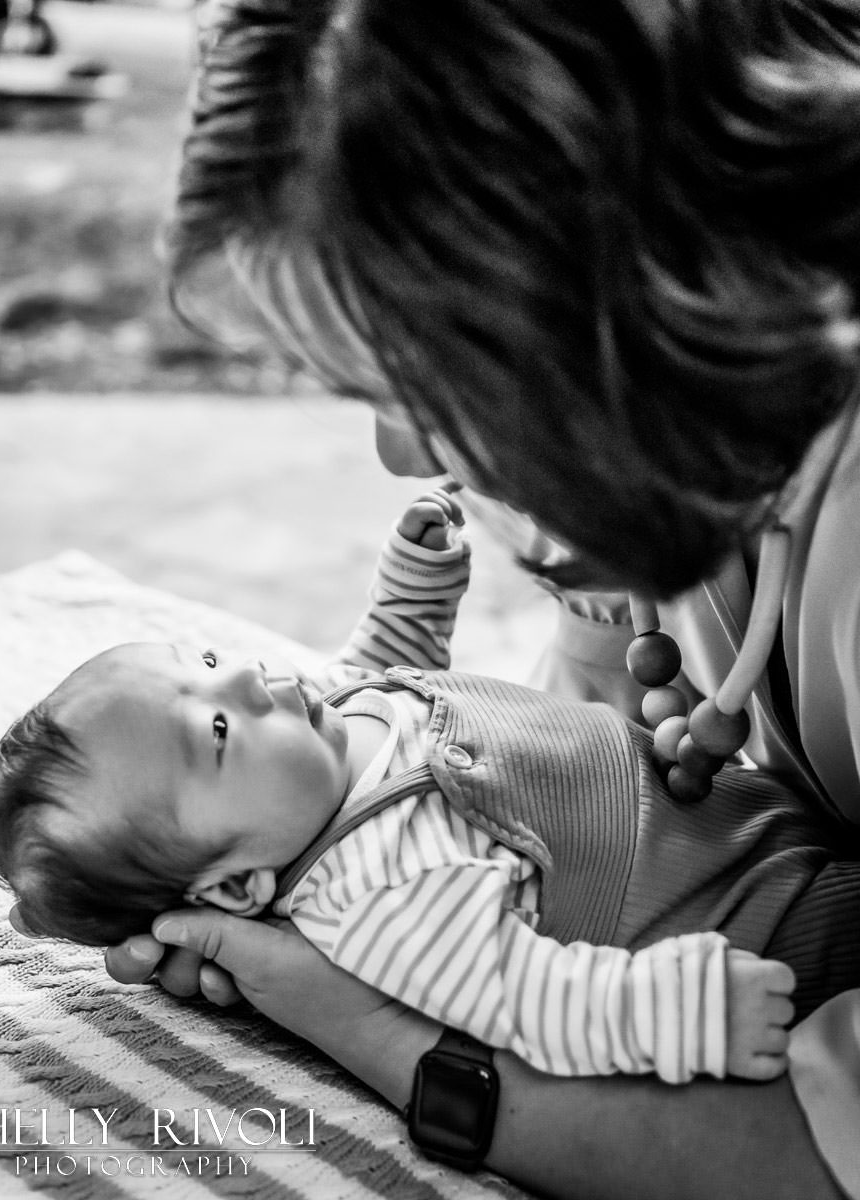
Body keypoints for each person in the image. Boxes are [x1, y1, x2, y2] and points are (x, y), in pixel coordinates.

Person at [101, 0, 860, 1196]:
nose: (400, 454)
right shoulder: (639, 446)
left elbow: (819, 1155)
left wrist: (366, 1026)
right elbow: (590, 732)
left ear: (612, 284)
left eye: (419, 375)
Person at [0, 487, 826, 1084]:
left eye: (203, 662)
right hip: (762, 919)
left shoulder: (324, 734)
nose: (246, 675)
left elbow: (386, 661)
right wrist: (696, 1014)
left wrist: (413, 582)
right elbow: (523, 998)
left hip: (747, 823)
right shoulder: (376, 896)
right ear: (238, 886)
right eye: (218, 732)